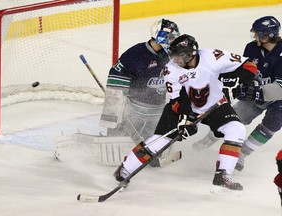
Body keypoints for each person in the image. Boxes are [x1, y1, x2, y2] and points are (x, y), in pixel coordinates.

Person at [113, 34, 258, 193]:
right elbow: (177, 99)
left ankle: (223, 175)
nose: (175, 60)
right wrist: (184, 118)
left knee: (236, 129)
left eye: (178, 57)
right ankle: (124, 170)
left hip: (215, 105)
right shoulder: (170, 70)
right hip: (183, 107)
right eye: (173, 56)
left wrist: (235, 81)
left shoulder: (213, 56)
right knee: (160, 140)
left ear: (190, 54)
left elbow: (249, 65)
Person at [192, 16, 282, 172]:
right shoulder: (252, 48)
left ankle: (242, 153)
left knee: (272, 123)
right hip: (258, 89)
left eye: (259, 34)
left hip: (279, 97)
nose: (255, 37)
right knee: (236, 117)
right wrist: (238, 83)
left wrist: (257, 93)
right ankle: (209, 139)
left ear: (269, 35)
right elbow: (246, 70)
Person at [98, 19, 181, 166]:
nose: (174, 41)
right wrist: (117, 111)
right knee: (120, 142)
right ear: (159, 35)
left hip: (158, 111)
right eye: (171, 37)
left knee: (154, 141)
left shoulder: (172, 56)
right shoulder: (136, 54)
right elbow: (115, 83)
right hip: (134, 110)